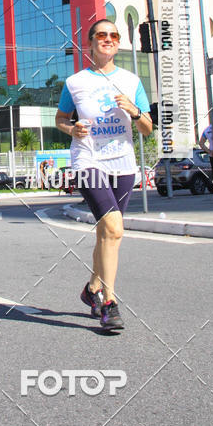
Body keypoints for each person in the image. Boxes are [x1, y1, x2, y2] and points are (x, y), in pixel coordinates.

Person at [55, 20, 153, 331]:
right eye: (101, 35)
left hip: (123, 164)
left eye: (113, 35)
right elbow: (59, 119)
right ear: (91, 43)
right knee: (113, 228)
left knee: (106, 234)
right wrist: (72, 128)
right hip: (88, 160)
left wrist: (135, 111)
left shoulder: (131, 80)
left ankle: (91, 289)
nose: (107, 39)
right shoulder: (75, 82)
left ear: (118, 43)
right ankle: (109, 304)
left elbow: (148, 129)